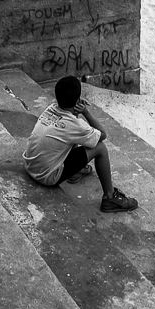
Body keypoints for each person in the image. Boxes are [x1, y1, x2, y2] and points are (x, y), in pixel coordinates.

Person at [22, 75, 138, 212]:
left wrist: (74, 109)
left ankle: (75, 172)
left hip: (31, 165)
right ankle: (110, 197)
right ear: (77, 100)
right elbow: (102, 135)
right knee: (100, 148)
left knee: (74, 137)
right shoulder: (74, 125)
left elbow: (73, 131)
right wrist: (86, 112)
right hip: (46, 176)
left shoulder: (50, 109)